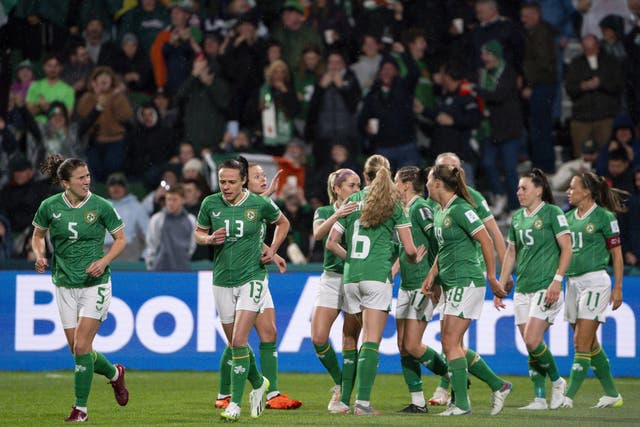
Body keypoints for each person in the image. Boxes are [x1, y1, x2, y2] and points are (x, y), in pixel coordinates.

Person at [31, 154, 129, 422]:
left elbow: (120, 239)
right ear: (65, 183)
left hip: (95, 283)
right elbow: (38, 235)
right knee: (77, 349)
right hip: (64, 283)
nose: (87, 181)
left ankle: (80, 409)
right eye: (81, 178)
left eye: (88, 176)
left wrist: (104, 260)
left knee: (83, 346)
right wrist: (40, 255)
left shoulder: (101, 206)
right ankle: (114, 374)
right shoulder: (49, 207)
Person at [326, 154, 426, 415]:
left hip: (351, 278)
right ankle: (363, 403)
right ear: (387, 173)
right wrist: (416, 255)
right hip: (376, 277)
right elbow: (409, 249)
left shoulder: (351, 201)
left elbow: (331, 243)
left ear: (365, 175)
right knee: (371, 340)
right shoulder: (392, 203)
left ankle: (344, 401)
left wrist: (355, 260)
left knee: (352, 337)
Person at [194, 156, 290, 421]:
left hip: (253, 278)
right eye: (222, 181)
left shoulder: (259, 203)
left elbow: (283, 223)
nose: (225, 186)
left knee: (239, 340)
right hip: (222, 279)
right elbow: (198, 233)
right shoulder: (209, 203)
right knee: (236, 344)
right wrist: (209, 238)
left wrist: (273, 249)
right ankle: (259, 382)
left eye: (231, 182)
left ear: (243, 181)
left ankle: (234, 404)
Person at [422, 163, 509, 416]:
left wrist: (492, 277)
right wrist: (432, 274)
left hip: (466, 281)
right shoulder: (441, 210)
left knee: (450, 342)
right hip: (450, 283)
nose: (426, 183)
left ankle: (461, 403)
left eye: (428, 178)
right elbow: (444, 249)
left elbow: (487, 240)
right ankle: (498, 385)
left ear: (438, 183)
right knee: (452, 344)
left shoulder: (461, 209)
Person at [215, 163, 302, 410]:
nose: (263, 179)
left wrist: (272, 252)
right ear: (244, 181)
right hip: (242, 276)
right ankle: (229, 393)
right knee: (237, 339)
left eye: (264, 175)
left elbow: (251, 235)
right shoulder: (239, 204)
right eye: (257, 176)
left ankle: (271, 392)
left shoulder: (258, 204)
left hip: (257, 274)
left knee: (268, 332)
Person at [496, 168, 573, 410]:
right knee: (530, 345)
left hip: (546, 286)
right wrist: (501, 283)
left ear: (539, 191)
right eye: (518, 188)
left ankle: (558, 382)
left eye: (524, 188)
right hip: (523, 287)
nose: (519, 192)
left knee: (532, 338)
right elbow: (511, 252)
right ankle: (539, 398)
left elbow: (567, 248)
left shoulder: (552, 213)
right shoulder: (517, 217)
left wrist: (557, 280)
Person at [560, 171, 627, 408]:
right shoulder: (566, 218)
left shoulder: (604, 217)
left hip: (596, 281)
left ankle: (567, 397)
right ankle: (611, 394)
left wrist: (618, 287)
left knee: (580, 342)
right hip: (573, 284)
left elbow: (617, 256)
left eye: (572, 187)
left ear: (586, 191)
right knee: (589, 343)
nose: (568, 191)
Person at [392, 166, 449, 413]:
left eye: (396, 181)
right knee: (403, 346)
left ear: (405, 184)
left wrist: (435, 279)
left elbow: (439, 243)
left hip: (422, 285)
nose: (394, 186)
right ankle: (417, 401)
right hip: (406, 285)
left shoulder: (420, 208)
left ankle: (453, 375)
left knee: (414, 345)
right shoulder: (403, 211)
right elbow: (402, 251)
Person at [310, 168, 360, 413]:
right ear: (337, 189)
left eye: (359, 185)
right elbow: (318, 234)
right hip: (331, 278)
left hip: (355, 279)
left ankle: (346, 395)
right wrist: (338, 214)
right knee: (318, 337)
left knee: (350, 339)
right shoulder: (325, 211)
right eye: (351, 185)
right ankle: (340, 382)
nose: (357, 190)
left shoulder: (364, 210)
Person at [145, 183, 196, 270]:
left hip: (183, 269)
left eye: (174, 200)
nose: (171, 203)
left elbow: (191, 246)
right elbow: (152, 245)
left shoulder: (191, 220)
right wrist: (151, 266)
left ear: (183, 200)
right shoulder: (157, 219)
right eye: (168, 199)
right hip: (159, 269)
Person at [104, 172, 149, 262]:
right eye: (113, 185)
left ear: (125, 188)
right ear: (108, 188)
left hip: (129, 253)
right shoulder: (101, 207)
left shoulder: (137, 208)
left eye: (120, 185)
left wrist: (144, 256)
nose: (116, 188)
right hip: (104, 253)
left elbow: (148, 234)